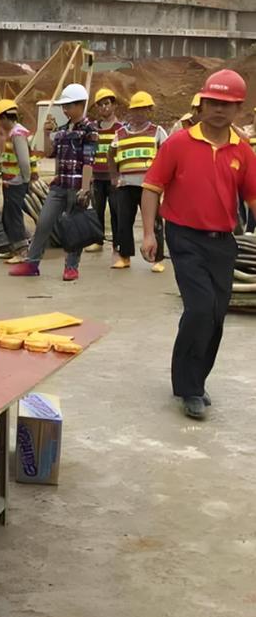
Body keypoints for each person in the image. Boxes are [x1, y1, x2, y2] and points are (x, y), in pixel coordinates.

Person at [139, 69, 256, 420]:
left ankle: (195, 380)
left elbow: (252, 197)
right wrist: (149, 234)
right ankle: (189, 388)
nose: (219, 110)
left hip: (223, 242)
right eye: (213, 102)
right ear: (202, 104)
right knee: (201, 308)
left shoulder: (242, 150)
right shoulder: (178, 143)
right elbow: (152, 188)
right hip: (184, 237)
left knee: (215, 315)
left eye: (227, 104)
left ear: (238, 109)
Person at [9, 83, 98, 281]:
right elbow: (50, 153)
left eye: (69, 106)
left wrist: (85, 189)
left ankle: (71, 267)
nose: (65, 110)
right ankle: (32, 263)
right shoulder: (63, 129)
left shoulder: (90, 129)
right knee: (44, 222)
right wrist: (46, 134)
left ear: (81, 105)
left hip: (77, 187)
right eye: (64, 106)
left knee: (74, 227)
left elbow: (88, 161)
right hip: (59, 185)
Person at [108, 91, 168, 272]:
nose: (140, 113)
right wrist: (114, 176)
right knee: (124, 222)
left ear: (150, 111)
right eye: (136, 109)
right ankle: (124, 256)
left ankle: (157, 259)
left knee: (155, 222)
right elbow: (110, 154)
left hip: (149, 187)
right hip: (126, 185)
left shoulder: (157, 132)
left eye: (144, 109)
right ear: (131, 111)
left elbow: (167, 155)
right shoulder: (120, 133)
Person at [0, 99, 35, 264]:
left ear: (4, 118)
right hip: (11, 181)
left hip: (16, 182)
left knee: (13, 216)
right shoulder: (13, 133)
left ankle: (22, 250)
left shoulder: (17, 134)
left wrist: (25, 181)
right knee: (8, 215)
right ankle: (14, 247)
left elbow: (24, 161)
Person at [87, 88, 124, 257]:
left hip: (114, 178)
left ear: (114, 105)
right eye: (100, 105)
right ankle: (97, 239)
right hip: (97, 177)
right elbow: (89, 152)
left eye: (107, 103)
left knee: (116, 211)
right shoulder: (93, 129)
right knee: (97, 210)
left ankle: (118, 243)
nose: (104, 107)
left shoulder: (121, 129)